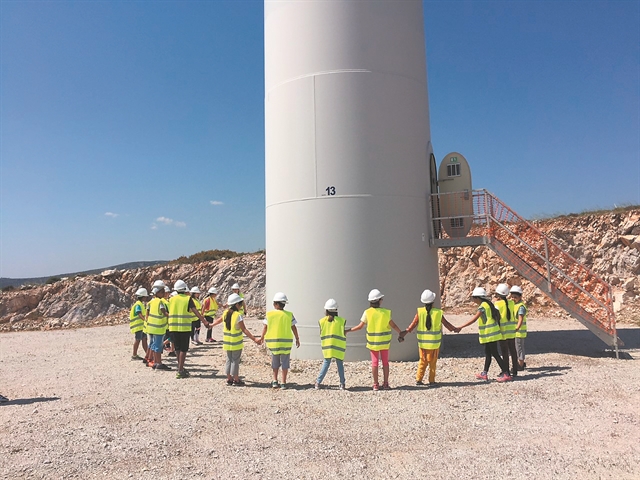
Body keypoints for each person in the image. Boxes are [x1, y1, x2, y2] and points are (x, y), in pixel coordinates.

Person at [399, 289, 459, 386]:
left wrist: (404, 333)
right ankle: (431, 380)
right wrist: (455, 329)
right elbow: (446, 324)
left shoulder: (420, 312)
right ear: (433, 301)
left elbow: (413, 325)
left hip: (423, 344)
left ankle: (419, 379)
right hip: (434, 344)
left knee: (423, 361)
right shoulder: (438, 313)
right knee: (433, 362)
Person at [347, 289, 404, 391]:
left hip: (373, 343)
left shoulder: (367, 312)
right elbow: (393, 325)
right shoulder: (386, 312)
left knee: (374, 363)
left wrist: (347, 331)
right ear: (379, 301)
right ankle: (386, 384)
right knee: (385, 362)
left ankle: (375, 385)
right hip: (384, 343)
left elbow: (360, 327)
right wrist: (401, 333)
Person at [454, 287, 511, 382]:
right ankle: (484, 373)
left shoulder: (483, 307)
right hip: (491, 334)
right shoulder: (488, 304)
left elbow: (474, 319)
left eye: (473, 298)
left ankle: (506, 373)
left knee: (495, 354)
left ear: (478, 298)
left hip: (490, 334)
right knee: (488, 353)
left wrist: (461, 327)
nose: (473, 300)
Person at [209, 293, 259, 385]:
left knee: (229, 359)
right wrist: (254, 339)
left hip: (227, 342)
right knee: (235, 360)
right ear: (236, 304)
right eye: (240, 304)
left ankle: (229, 378)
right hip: (236, 343)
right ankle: (236, 379)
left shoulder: (225, 313)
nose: (241, 306)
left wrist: (211, 325)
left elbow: (219, 320)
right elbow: (244, 329)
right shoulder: (238, 315)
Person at [168, 280, 212, 379]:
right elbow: (195, 311)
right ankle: (180, 370)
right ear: (185, 289)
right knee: (183, 349)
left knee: (177, 348)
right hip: (184, 327)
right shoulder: (188, 299)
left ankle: (180, 367)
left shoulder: (171, 299)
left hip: (173, 327)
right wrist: (205, 322)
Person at [259, 292, 300, 389]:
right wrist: (297, 339)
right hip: (286, 344)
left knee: (275, 363)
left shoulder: (269, 314)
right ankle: (283, 382)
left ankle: (274, 381)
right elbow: (294, 327)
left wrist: (261, 338)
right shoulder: (289, 315)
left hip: (274, 344)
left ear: (276, 304)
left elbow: (265, 327)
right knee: (285, 363)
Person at [314, 299, 348, 390]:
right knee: (340, 365)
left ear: (326, 310)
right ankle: (342, 384)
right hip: (339, 347)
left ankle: (318, 383)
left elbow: (321, 333)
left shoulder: (322, 321)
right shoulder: (341, 321)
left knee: (326, 364)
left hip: (327, 347)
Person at [495, 283, 519, 377]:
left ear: (498, 294)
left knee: (504, 352)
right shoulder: (512, 303)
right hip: (511, 330)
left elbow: (497, 317)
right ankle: (515, 370)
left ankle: (506, 371)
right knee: (513, 350)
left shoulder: (497, 304)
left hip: (502, 331)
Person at [146, 287, 171, 370]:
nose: (164, 293)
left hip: (152, 327)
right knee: (158, 345)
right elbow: (164, 312)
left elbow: (147, 314)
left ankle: (155, 362)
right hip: (159, 328)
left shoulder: (151, 302)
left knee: (154, 344)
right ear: (157, 293)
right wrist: (172, 316)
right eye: (162, 292)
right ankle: (159, 363)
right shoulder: (160, 302)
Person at [511, 285, 528, 371]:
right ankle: (521, 362)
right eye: (512, 297)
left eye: (515, 297)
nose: (513, 299)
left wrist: (517, 328)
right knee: (518, 347)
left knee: (519, 348)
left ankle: (520, 365)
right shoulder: (515, 305)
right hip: (517, 332)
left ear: (520, 297)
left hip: (519, 332)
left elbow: (520, 319)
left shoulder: (521, 307)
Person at [129, 287, 148, 360]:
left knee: (144, 340)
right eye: (145, 296)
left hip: (142, 327)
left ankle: (148, 354)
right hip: (138, 327)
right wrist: (145, 320)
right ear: (143, 297)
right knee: (138, 340)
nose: (146, 298)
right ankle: (134, 355)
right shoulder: (138, 305)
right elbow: (139, 313)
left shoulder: (140, 304)